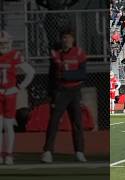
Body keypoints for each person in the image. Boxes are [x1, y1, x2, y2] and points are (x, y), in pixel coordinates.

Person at [42, 29, 88, 163]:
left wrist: (66, 75)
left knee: (77, 122)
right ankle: (48, 151)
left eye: (68, 38)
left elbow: (83, 74)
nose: (66, 40)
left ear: (73, 40)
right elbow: (51, 76)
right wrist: (51, 94)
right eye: (64, 38)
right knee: (54, 122)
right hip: (60, 92)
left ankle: (79, 151)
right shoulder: (56, 54)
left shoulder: (79, 53)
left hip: (74, 92)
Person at [0, 31, 35, 165]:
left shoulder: (15, 55)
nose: (3, 45)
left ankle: (8, 154)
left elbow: (30, 72)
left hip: (9, 93)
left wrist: (19, 87)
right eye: (1, 43)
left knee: (8, 125)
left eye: (4, 43)